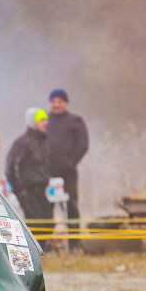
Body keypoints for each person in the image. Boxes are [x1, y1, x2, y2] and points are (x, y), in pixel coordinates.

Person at [6, 108, 52, 245]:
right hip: (28, 192)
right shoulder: (22, 143)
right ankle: (35, 253)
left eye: (46, 119)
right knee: (35, 223)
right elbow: (11, 168)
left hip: (42, 190)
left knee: (48, 221)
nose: (46, 123)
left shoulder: (44, 142)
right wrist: (20, 191)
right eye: (42, 120)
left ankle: (45, 251)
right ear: (33, 123)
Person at [45, 88, 89, 230]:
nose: (56, 104)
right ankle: (45, 244)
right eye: (53, 101)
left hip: (68, 173)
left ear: (66, 103)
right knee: (46, 207)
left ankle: (74, 242)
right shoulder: (44, 122)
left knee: (71, 206)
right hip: (47, 173)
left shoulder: (75, 121)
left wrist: (71, 162)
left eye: (60, 101)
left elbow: (83, 144)